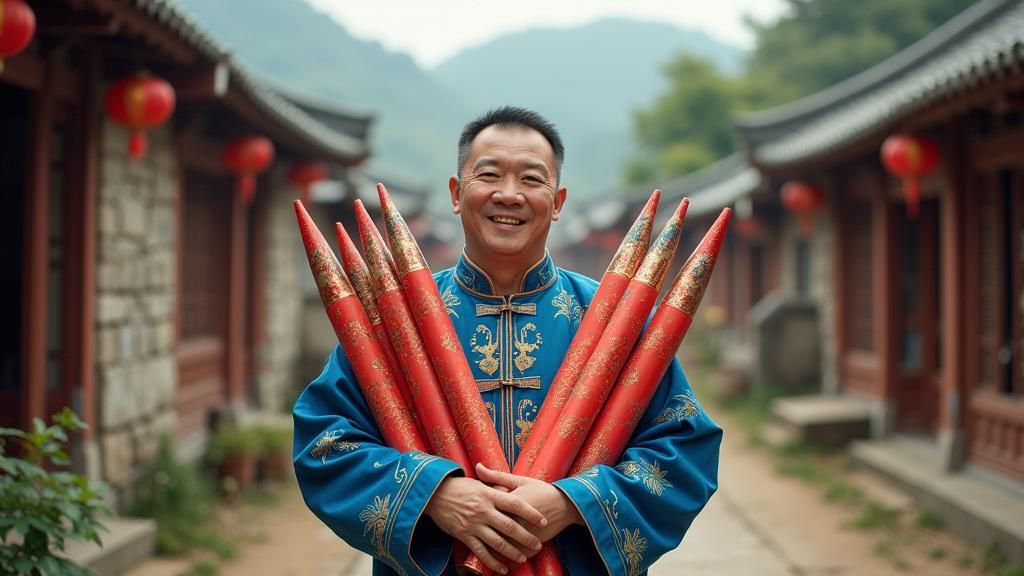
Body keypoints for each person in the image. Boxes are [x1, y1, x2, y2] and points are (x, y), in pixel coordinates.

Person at [293, 106, 722, 576]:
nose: (509, 194)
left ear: (557, 202)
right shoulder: (395, 320)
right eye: (490, 174)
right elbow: (326, 443)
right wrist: (433, 492)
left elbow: (683, 450)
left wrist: (572, 501)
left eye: (532, 180)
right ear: (457, 194)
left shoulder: (615, 318)